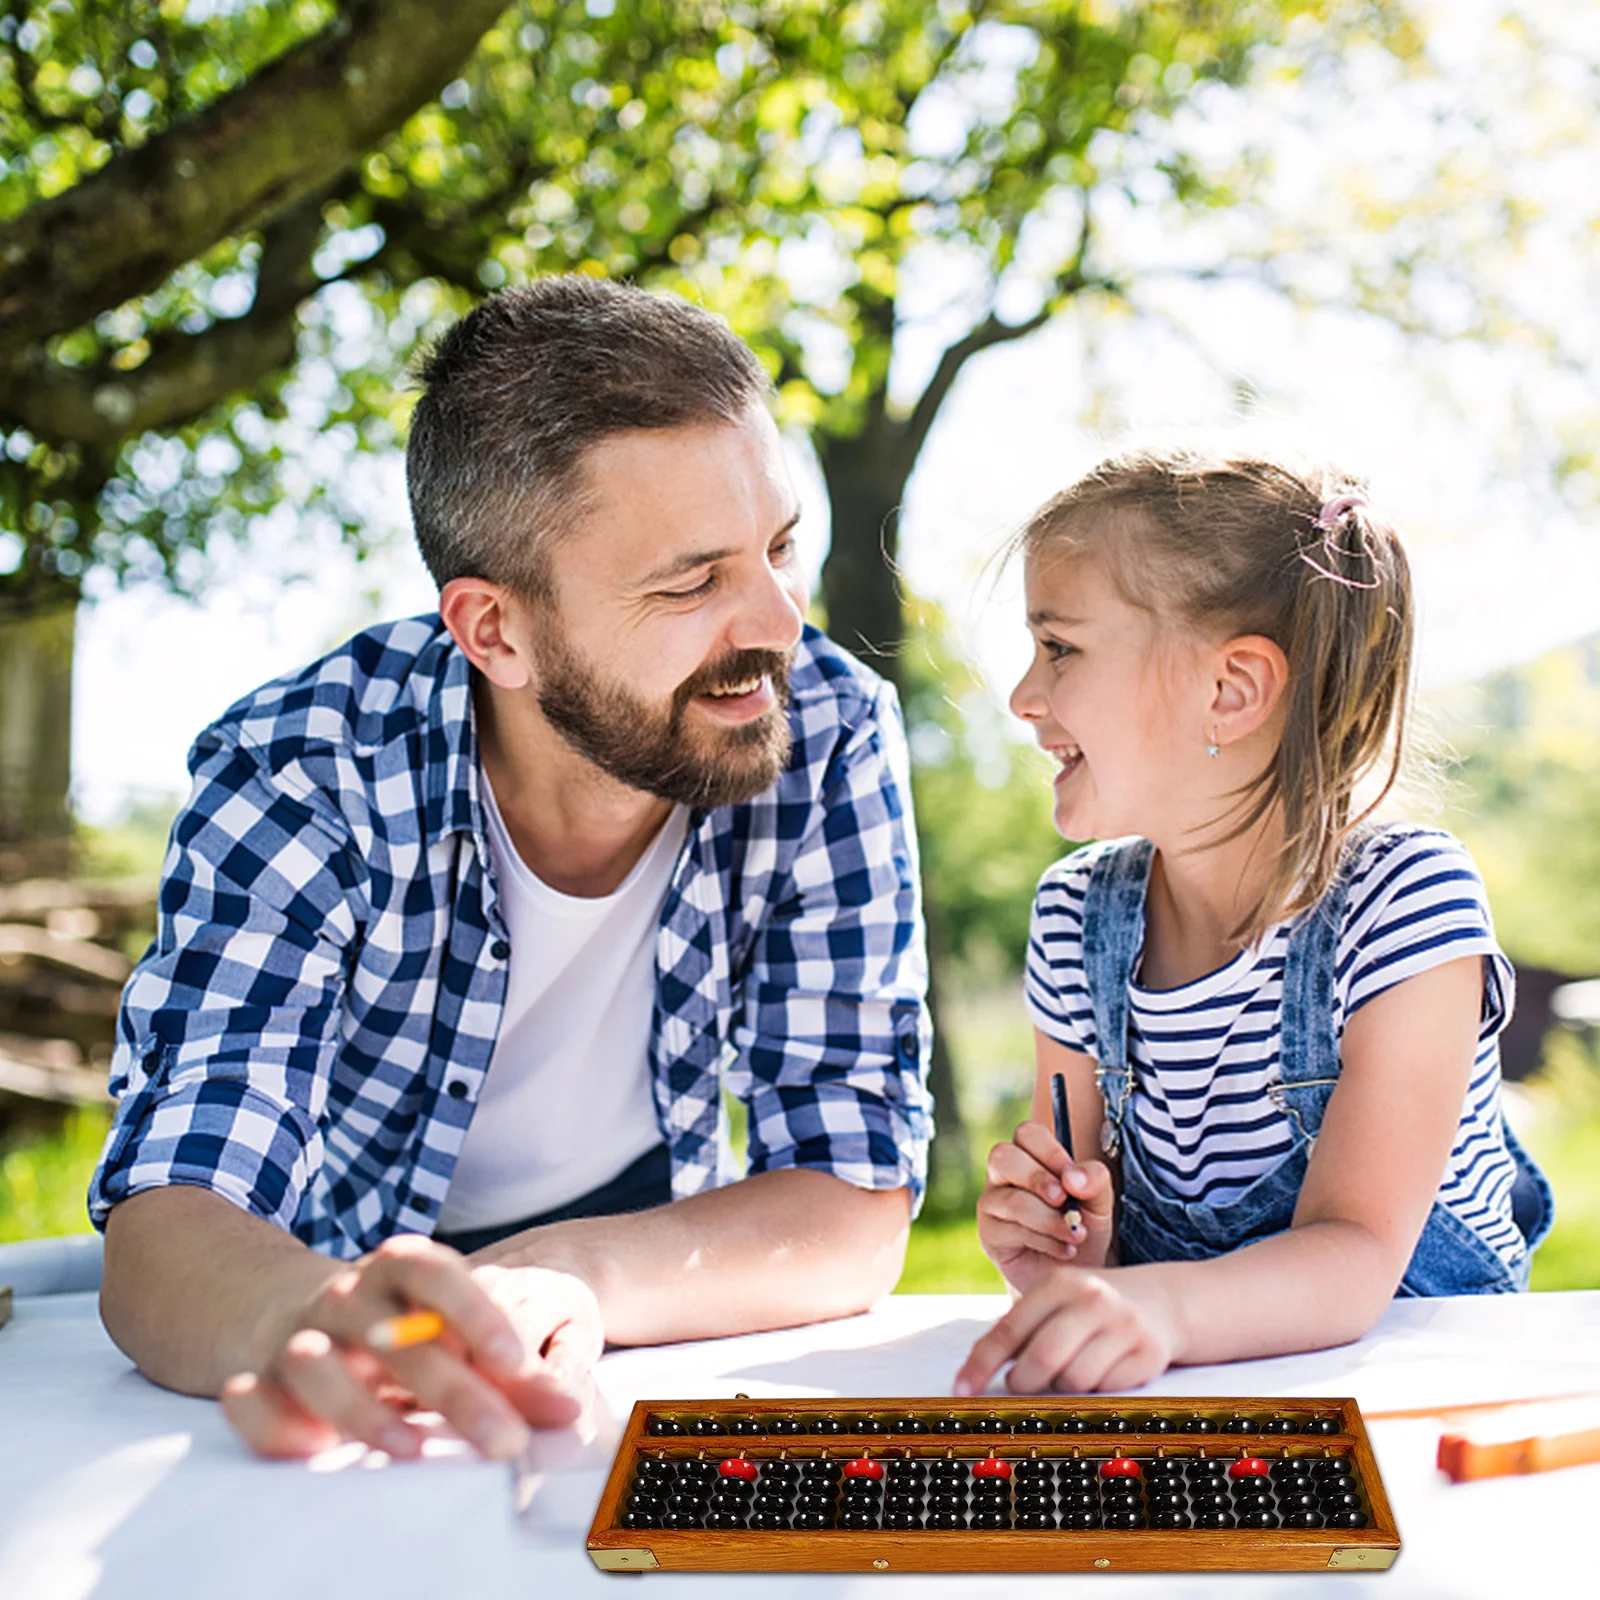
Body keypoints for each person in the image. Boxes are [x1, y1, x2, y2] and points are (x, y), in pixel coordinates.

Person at [90, 276, 932, 1460]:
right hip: (346, 1258)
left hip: (648, 1270)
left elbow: (851, 1200)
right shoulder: (301, 768)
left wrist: (563, 1272)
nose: (781, 621)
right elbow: (173, 1215)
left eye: (781, 546)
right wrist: (310, 1315)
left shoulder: (824, 727)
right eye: (692, 581)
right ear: (495, 632)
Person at [955, 445, 1553, 1398]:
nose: (1024, 698)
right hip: (1206, 1398)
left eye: (1060, 647)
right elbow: (1091, 1243)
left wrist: (1163, 1308)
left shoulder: (1402, 904)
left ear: (1230, 691)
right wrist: (1073, 1257)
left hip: (1415, 1396)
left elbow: (1354, 1252)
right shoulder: (1075, 918)